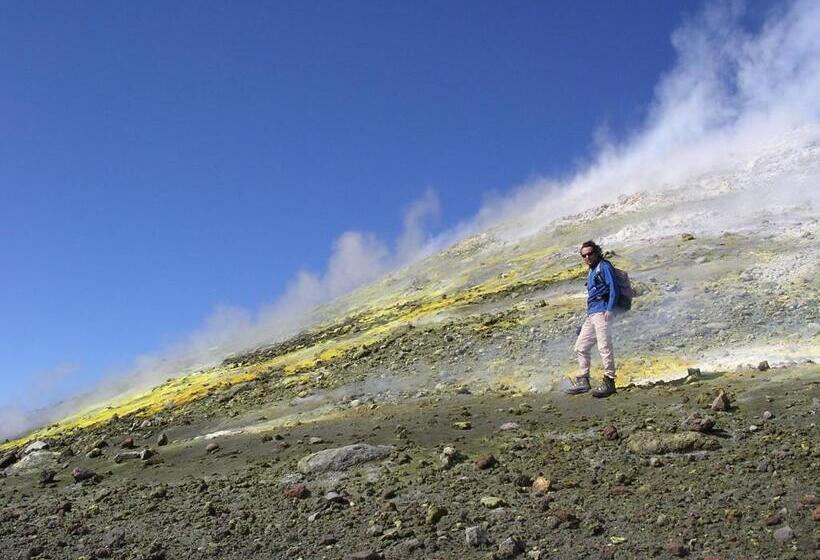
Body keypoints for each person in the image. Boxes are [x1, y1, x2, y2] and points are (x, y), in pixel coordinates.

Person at [564, 240, 619, 398]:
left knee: (604, 346)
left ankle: (609, 381)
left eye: (590, 254)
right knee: (581, 346)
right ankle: (583, 380)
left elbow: (613, 287)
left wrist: (610, 309)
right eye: (584, 255)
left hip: (602, 312)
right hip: (592, 314)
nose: (587, 257)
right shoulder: (591, 271)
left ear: (596, 252)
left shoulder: (604, 266)